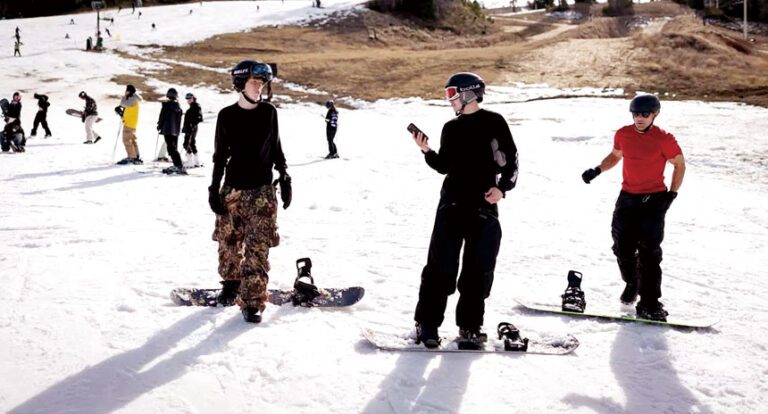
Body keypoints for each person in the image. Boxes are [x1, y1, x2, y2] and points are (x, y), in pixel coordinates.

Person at [411, 72, 519, 349]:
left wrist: (503, 188)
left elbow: (511, 160)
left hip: (484, 206)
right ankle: (428, 324)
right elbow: (445, 165)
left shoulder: (494, 122)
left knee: (478, 269)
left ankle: (470, 327)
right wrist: (426, 151)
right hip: (452, 204)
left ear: (469, 93)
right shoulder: (451, 127)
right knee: (440, 266)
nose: (449, 100)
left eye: (451, 94)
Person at [581, 94, 685, 322]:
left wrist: (672, 194)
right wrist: (597, 170)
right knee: (622, 247)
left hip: (654, 199)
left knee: (649, 252)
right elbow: (616, 155)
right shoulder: (623, 134)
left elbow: (679, 163)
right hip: (627, 198)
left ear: (654, 115)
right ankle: (631, 282)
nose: (639, 118)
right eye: (636, 113)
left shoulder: (664, 138)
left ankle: (650, 302)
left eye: (644, 114)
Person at [209, 60, 291, 323]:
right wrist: (214, 189)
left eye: (262, 82)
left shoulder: (269, 113)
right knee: (229, 244)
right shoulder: (226, 116)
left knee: (258, 248)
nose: (260, 87)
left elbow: (276, 147)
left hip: (262, 194)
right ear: (240, 84)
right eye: (255, 82)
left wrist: (285, 174)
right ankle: (231, 284)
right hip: (232, 191)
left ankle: (253, 302)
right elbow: (220, 156)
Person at [157, 88, 185, 174]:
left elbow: (162, 117)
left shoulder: (166, 105)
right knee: (173, 148)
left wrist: (159, 125)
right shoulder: (178, 107)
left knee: (171, 148)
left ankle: (178, 165)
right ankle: (177, 164)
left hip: (167, 129)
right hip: (175, 130)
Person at [115, 84, 143, 165]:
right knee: (132, 140)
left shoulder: (133, 100)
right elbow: (125, 109)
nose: (125, 92)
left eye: (126, 91)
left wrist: (123, 98)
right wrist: (121, 113)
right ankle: (136, 155)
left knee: (126, 140)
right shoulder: (133, 99)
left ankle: (132, 156)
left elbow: (123, 104)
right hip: (130, 123)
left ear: (129, 92)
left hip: (129, 123)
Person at [182, 92, 203, 168]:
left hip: (192, 128)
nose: (188, 100)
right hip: (189, 128)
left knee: (186, 144)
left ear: (193, 98)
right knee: (191, 143)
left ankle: (190, 161)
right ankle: (196, 161)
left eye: (190, 99)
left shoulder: (196, 106)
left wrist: (193, 124)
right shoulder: (192, 107)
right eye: (187, 99)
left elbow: (199, 118)